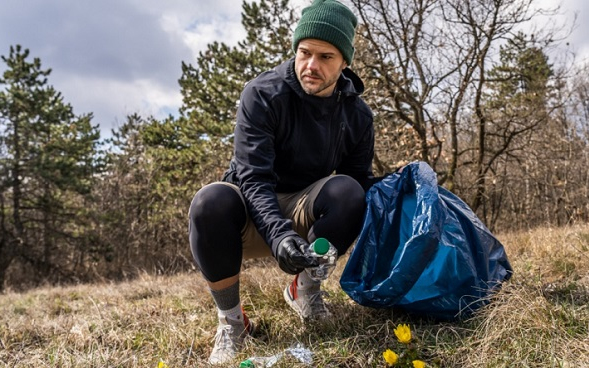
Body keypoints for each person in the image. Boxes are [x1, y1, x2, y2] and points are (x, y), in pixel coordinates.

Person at [188, 0, 382, 364]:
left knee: (350, 192)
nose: (312, 65)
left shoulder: (357, 116)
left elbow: (360, 183)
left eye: (326, 57)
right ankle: (232, 322)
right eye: (305, 52)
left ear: (345, 63)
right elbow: (253, 177)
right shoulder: (262, 94)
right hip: (248, 211)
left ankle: (304, 289)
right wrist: (278, 236)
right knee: (208, 202)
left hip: (305, 211)